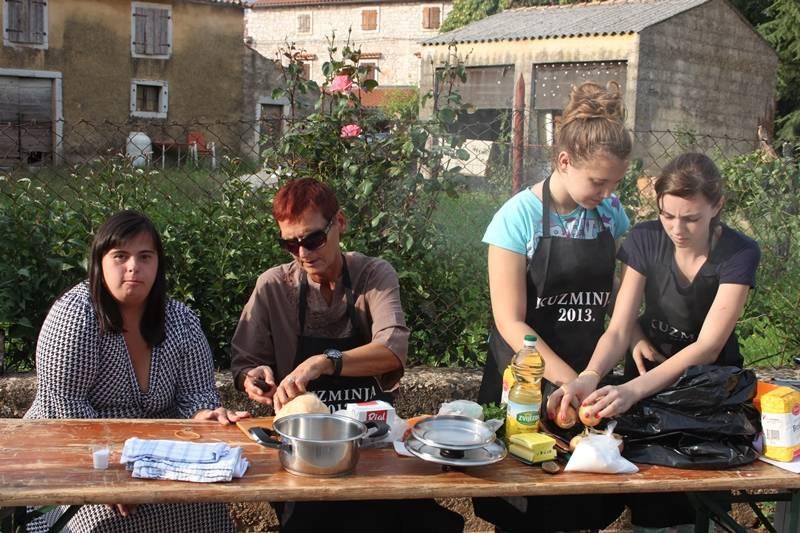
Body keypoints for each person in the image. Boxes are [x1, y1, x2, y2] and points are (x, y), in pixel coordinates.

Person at [230, 177, 463, 532]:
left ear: (339, 222)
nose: (303, 253)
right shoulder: (274, 286)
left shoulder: (373, 276)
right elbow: (245, 361)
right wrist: (253, 376)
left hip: (371, 443)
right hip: (305, 452)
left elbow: (392, 349)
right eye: (290, 244)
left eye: (312, 239)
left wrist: (325, 362)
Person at [551, 152, 760, 530]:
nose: (677, 229)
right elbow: (619, 327)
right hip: (645, 376)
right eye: (667, 215)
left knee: (696, 504)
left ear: (717, 206)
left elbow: (708, 346)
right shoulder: (645, 239)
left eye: (691, 218)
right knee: (647, 501)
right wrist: (590, 375)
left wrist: (632, 390)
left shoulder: (739, 252)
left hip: (706, 391)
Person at [24, 210, 249, 533]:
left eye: (145, 257)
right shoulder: (75, 316)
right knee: (105, 522)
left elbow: (197, 395)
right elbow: (67, 411)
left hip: (158, 458)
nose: (133, 267)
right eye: (120, 256)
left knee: (204, 506)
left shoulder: (180, 320)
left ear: (158, 264)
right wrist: (113, 475)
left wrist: (205, 415)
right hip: (77, 456)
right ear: (99, 262)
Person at [474, 81, 632, 532]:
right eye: (598, 181)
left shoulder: (610, 214)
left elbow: (614, 291)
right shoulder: (517, 217)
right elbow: (510, 320)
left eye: (615, 182)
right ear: (564, 161)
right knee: (524, 509)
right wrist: (569, 380)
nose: (607, 192)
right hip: (525, 383)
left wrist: (595, 373)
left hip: (590, 376)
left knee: (583, 502)